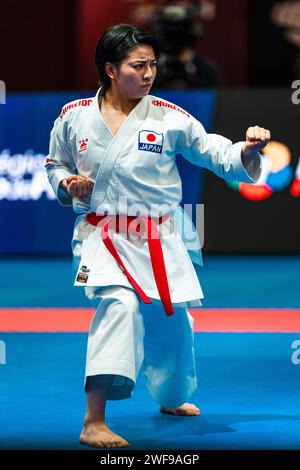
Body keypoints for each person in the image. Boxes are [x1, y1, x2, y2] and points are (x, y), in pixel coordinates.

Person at [45, 23, 271, 448]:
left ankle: (171, 396)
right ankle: (94, 419)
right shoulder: (73, 116)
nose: (148, 74)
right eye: (138, 65)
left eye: (152, 65)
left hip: (159, 236)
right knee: (120, 304)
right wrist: (66, 183)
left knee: (173, 324)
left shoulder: (169, 117)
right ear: (111, 69)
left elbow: (214, 152)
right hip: (102, 234)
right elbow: (53, 164)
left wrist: (245, 150)